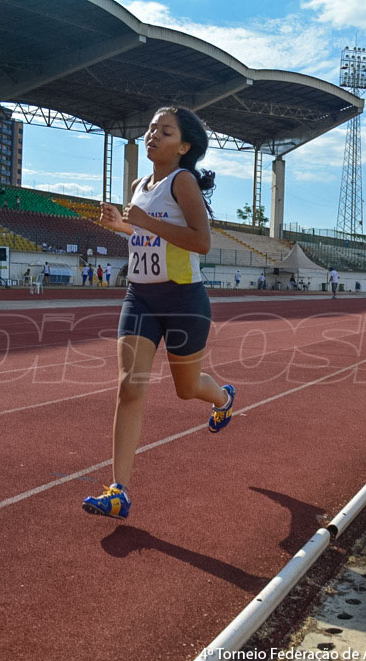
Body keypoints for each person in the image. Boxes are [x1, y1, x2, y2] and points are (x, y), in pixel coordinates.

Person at [81, 106, 235, 520]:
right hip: (140, 298)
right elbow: (145, 232)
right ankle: (119, 491)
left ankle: (223, 397)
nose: (153, 135)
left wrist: (146, 219)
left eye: (165, 131)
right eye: (151, 128)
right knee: (130, 389)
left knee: (187, 389)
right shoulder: (138, 184)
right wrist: (123, 226)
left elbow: (201, 242)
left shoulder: (183, 182)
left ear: (183, 146)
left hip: (184, 300)